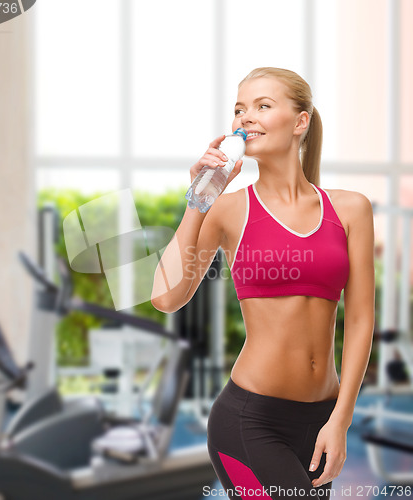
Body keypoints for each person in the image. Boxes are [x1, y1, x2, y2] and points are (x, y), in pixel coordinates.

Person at [150, 67, 375, 500]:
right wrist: (199, 199)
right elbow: (165, 297)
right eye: (239, 109)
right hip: (250, 421)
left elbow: (361, 320)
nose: (245, 117)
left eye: (262, 106)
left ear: (300, 122)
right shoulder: (228, 210)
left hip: (322, 419)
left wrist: (340, 420)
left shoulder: (351, 209)